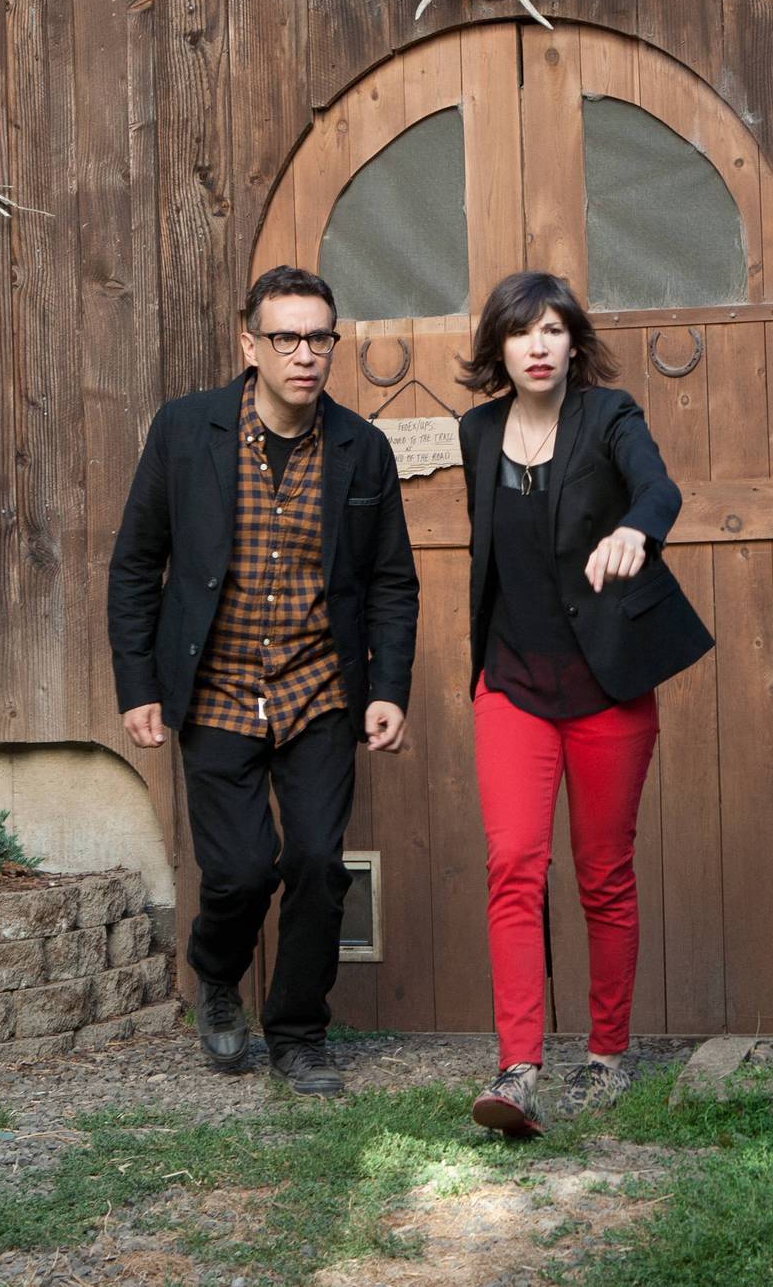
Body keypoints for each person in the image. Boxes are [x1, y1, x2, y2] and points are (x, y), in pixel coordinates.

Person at [107, 265, 418, 1095]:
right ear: (249, 344)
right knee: (242, 870)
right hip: (216, 687)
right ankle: (216, 972)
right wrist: (139, 685)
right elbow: (138, 564)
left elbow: (392, 580)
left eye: (320, 337)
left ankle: (297, 1036)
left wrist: (389, 688)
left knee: (317, 863)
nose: (305, 355)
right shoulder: (184, 431)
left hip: (319, 687)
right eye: (285, 337)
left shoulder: (362, 448)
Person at [456, 271, 715, 1136]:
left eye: (553, 330)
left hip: (606, 684)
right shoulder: (477, 430)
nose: (537, 346)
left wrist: (636, 530)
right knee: (513, 866)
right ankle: (518, 1067)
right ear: (499, 346)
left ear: (574, 344)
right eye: (521, 332)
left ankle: (607, 1053)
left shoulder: (610, 418)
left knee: (604, 875)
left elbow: (660, 490)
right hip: (513, 683)